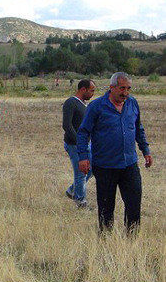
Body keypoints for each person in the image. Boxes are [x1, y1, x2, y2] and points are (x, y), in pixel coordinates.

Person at [77, 72, 153, 236]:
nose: (125, 93)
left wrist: (145, 150)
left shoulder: (132, 103)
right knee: (106, 207)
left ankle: (131, 240)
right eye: (122, 88)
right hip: (105, 166)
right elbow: (83, 132)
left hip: (129, 164)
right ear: (111, 88)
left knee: (134, 204)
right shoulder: (96, 106)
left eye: (128, 89)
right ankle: (105, 239)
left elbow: (138, 129)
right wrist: (83, 157)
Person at [62, 79, 96, 208]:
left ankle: (72, 190)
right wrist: (79, 142)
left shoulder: (83, 104)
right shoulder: (71, 102)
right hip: (74, 144)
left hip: (85, 144)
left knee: (91, 169)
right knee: (81, 173)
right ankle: (81, 202)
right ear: (83, 89)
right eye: (91, 90)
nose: (93, 93)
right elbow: (67, 125)